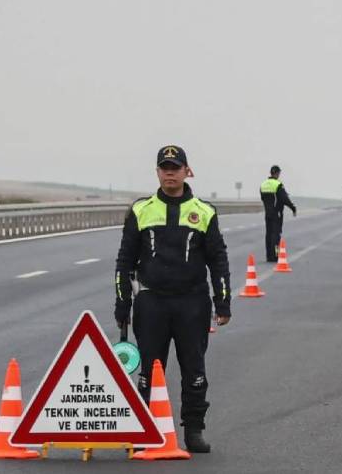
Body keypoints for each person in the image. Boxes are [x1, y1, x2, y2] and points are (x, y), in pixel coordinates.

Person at [114, 145, 231, 454]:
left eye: (175, 167)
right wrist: (122, 303)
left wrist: (223, 302)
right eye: (164, 167)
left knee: (195, 369)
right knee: (149, 371)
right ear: (157, 172)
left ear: (185, 171)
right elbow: (124, 261)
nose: (169, 172)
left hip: (192, 303)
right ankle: (145, 431)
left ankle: (194, 430)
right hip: (151, 303)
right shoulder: (140, 210)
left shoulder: (204, 212)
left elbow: (218, 260)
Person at [260, 165, 297, 262]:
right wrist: (293, 208)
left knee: (268, 234)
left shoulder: (263, 184)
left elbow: (263, 198)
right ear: (276, 173)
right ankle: (275, 256)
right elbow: (284, 199)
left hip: (267, 213)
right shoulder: (278, 184)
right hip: (277, 214)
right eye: (279, 173)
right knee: (276, 235)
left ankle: (269, 256)